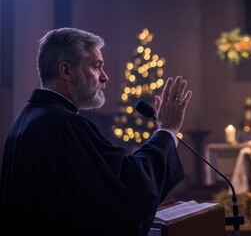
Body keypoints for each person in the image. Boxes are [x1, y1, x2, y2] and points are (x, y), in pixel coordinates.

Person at [0, 27, 192, 236]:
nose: (105, 77)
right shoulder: (63, 125)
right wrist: (167, 131)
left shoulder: (26, 118)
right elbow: (126, 190)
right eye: (96, 67)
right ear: (66, 71)